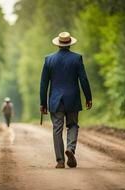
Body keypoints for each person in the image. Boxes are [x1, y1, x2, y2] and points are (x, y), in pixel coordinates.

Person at [40, 32, 92, 169]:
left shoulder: (48, 60)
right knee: (73, 125)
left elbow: (43, 84)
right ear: (69, 44)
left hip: (55, 100)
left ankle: (60, 161)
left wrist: (43, 103)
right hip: (73, 98)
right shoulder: (77, 58)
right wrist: (88, 98)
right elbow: (84, 79)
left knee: (57, 129)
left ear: (58, 44)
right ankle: (70, 148)